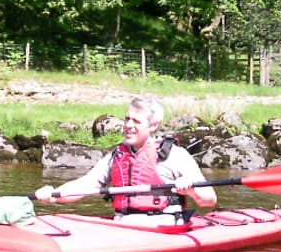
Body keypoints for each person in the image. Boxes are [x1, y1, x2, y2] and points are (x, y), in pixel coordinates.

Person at [34, 94, 216, 225]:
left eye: (136, 121)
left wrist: (192, 190)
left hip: (163, 227)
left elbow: (209, 199)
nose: (128, 126)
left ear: (154, 125)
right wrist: (54, 195)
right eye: (127, 119)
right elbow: (85, 184)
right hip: (122, 224)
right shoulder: (116, 155)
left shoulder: (175, 156)